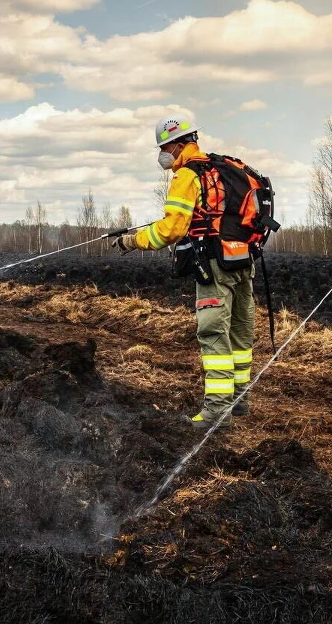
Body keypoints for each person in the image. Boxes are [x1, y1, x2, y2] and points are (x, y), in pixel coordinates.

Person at [115, 115, 255, 430]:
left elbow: (172, 229)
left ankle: (217, 413)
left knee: (213, 334)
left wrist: (132, 240)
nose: (162, 154)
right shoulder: (224, 168)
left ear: (178, 145)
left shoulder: (187, 175)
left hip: (214, 265)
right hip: (244, 261)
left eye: (164, 147)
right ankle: (240, 401)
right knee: (241, 333)